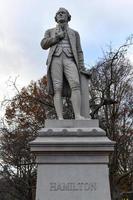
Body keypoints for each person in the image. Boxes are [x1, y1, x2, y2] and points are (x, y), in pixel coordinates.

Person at [41, 7, 87, 120]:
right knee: (57, 88)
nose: (61, 14)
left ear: (68, 17)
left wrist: (81, 66)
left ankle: (78, 115)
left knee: (76, 85)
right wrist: (56, 38)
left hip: (70, 59)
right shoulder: (50, 31)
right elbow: (43, 44)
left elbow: (79, 50)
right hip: (55, 59)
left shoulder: (74, 33)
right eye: (58, 13)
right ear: (56, 18)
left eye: (63, 13)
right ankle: (60, 118)